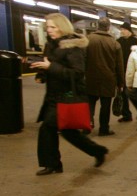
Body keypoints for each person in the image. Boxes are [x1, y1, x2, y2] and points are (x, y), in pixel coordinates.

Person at [30, 13, 108, 175]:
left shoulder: (72, 46)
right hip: (53, 95)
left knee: (47, 128)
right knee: (68, 131)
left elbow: (77, 72)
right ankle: (97, 151)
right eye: (48, 27)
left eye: (53, 26)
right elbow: (51, 65)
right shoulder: (51, 45)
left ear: (62, 27)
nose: (49, 30)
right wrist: (42, 73)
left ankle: (52, 164)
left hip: (68, 95)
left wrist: (50, 68)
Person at [85, 17, 124, 136]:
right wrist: (120, 83)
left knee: (89, 103)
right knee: (105, 106)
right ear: (108, 27)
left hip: (90, 77)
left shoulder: (87, 40)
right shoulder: (115, 43)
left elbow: (82, 59)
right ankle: (104, 129)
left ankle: (86, 126)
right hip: (108, 79)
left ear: (97, 26)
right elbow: (119, 65)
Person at [115, 22, 137, 122]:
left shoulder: (136, 41)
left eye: (123, 29)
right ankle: (126, 114)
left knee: (133, 94)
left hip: (133, 71)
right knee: (123, 94)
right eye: (121, 30)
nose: (122, 31)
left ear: (129, 30)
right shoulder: (118, 41)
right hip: (121, 71)